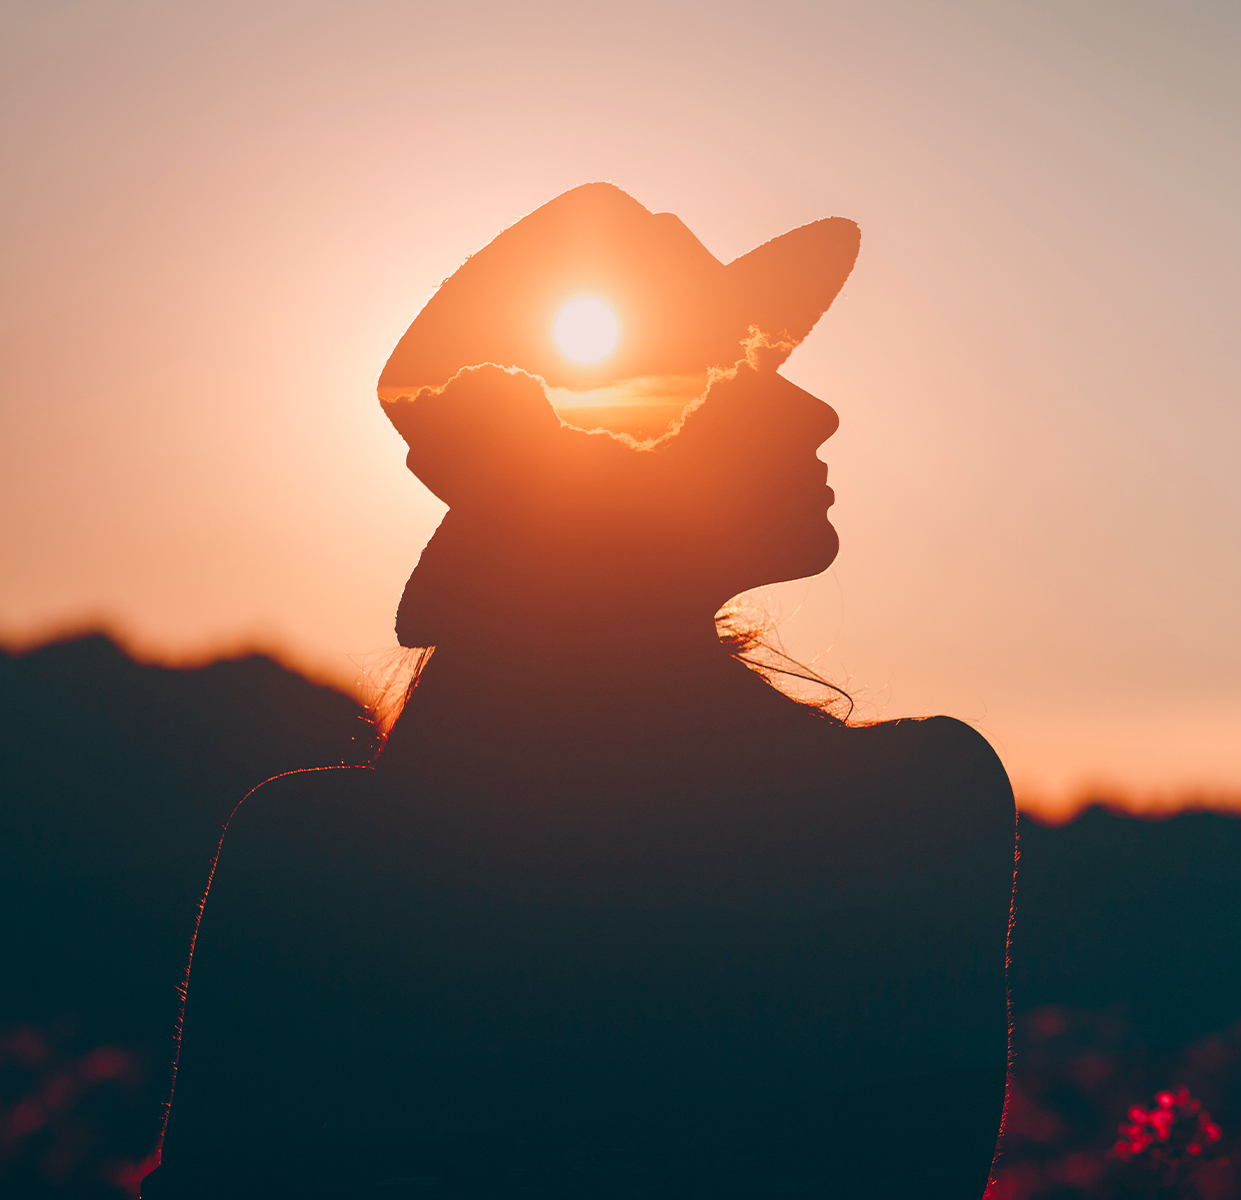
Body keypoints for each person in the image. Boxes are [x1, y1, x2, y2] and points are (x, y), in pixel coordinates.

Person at [143, 184, 1016, 1199]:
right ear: (628, 461)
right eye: (741, 376)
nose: (818, 410)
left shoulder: (309, 853)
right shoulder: (911, 805)